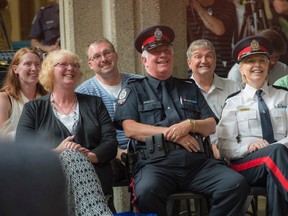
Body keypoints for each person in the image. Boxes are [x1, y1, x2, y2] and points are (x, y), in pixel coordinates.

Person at [114, 24, 249, 216]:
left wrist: (190, 124)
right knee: (146, 192)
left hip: (197, 164)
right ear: (144, 60)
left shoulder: (188, 87)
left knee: (235, 184)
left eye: (166, 50)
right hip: (156, 164)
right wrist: (173, 135)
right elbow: (130, 129)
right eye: (155, 52)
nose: (162, 55)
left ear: (173, 55)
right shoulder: (133, 89)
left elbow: (211, 124)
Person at [15, 49, 118, 215]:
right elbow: (22, 151)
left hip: (96, 176)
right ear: (49, 71)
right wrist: (58, 152)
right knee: (70, 156)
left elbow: (111, 143)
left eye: (75, 65)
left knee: (73, 157)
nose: (70, 68)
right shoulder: (34, 108)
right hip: (49, 179)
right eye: (63, 64)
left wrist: (88, 157)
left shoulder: (95, 103)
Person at [217, 35, 288, 216]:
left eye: (261, 60)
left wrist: (276, 148)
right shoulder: (233, 102)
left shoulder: (284, 96)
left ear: (269, 64)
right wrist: (247, 147)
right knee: (275, 154)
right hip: (246, 164)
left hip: (280, 161)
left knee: (275, 168)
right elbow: (224, 147)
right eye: (250, 61)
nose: (257, 65)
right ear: (241, 68)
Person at [75, 38, 142, 182]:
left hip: (145, 151)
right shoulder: (83, 93)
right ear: (90, 64)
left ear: (116, 55)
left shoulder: (139, 84)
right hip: (110, 159)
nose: (103, 59)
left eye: (107, 53)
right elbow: (88, 135)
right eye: (97, 56)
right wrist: (118, 153)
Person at [187, 39, 241, 158]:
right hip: (197, 153)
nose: (204, 61)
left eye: (209, 56)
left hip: (234, 149)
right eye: (198, 56)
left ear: (215, 61)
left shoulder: (233, 86)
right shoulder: (182, 90)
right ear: (189, 63)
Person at [0, 47, 47, 140]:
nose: (34, 68)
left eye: (37, 64)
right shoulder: (4, 99)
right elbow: (3, 138)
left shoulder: (48, 97)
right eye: (28, 64)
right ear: (15, 69)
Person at [186, 0, 238, 78]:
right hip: (197, 67)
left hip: (222, 66)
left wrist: (198, 8)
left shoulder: (226, 5)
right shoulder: (188, 10)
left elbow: (219, 30)